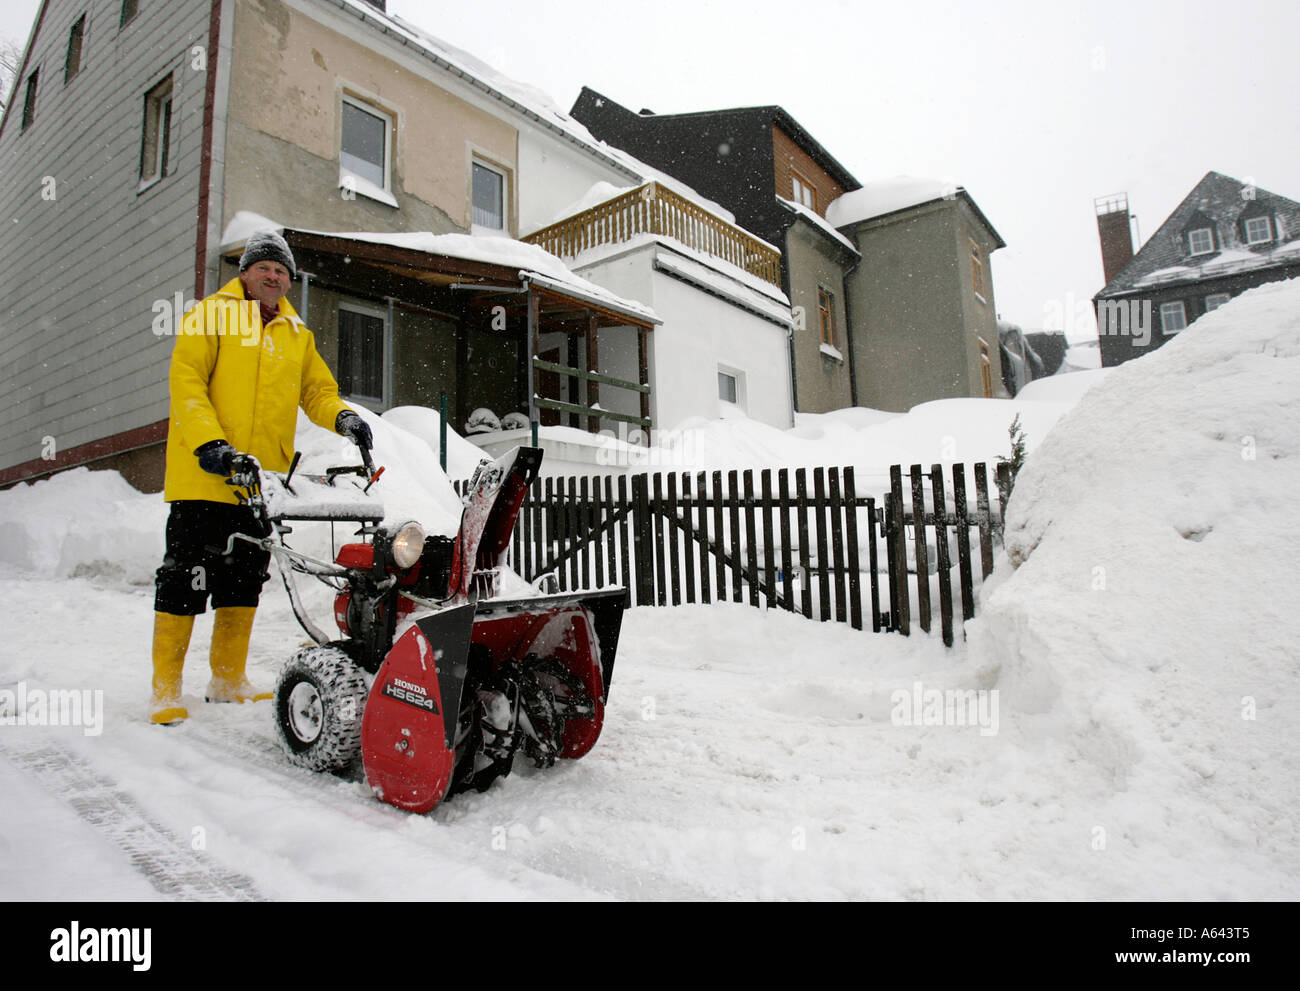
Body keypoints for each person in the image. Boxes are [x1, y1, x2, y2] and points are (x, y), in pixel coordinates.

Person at [149, 229, 373, 725]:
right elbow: (186, 381)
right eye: (264, 267)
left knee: (243, 581)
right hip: (203, 478)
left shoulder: (297, 335)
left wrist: (343, 418)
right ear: (245, 273)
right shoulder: (211, 315)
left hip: (260, 486)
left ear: (289, 282)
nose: (273, 276)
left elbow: (317, 392)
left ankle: (227, 679)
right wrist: (210, 444)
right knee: (184, 579)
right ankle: (165, 690)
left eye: (282, 271)